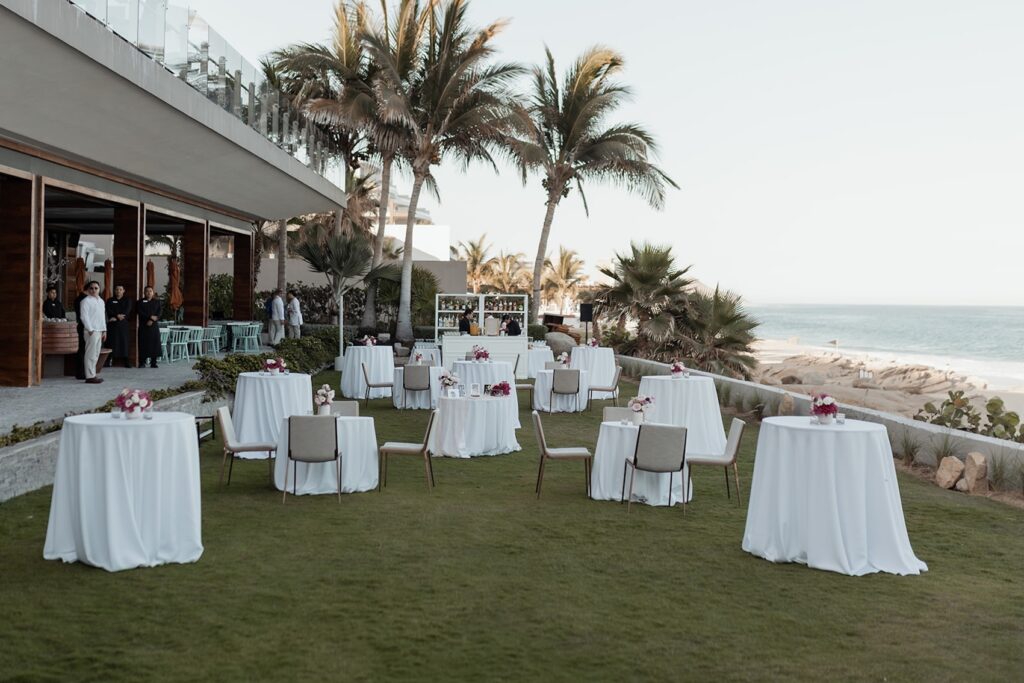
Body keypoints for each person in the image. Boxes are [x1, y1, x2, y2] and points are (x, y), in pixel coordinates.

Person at [79, 281, 106, 384]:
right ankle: (90, 376)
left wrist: (104, 330)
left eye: (96, 288)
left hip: (100, 330)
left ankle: (93, 374)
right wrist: (90, 329)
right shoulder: (85, 301)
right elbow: (84, 316)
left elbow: (102, 317)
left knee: (96, 354)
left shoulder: (101, 301)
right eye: (91, 288)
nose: (94, 290)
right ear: (88, 289)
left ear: (99, 289)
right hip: (91, 331)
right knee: (90, 354)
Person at [104, 284, 133, 367]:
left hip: (123, 324)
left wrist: (116, 317)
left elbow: (127, 311)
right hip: (112, 325)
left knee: (124, 342)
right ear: (114, 291)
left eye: (120, 289)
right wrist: (117, 316)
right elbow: (108, 310)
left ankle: (126, 360)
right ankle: (108, 360)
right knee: (111, 342)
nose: (118, 291)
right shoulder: (110, 300)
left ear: (123, 291)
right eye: (117, 289)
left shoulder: (127, 300)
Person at [137, 286, 162, 368]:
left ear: (153, 292)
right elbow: (140, 312)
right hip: (144, 325)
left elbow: (159, 312)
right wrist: (150, 317)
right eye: (147, 291)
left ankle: (153, 362)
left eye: (150, 291)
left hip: (154, 326)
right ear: (144, 292)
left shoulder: (157, 302)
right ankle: (142, 362)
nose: (149, 293)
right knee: (143, 344)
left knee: (155, 344)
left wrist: (152, 319)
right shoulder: (140, 302)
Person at [73, 284, 89, 379]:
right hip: (84, 326)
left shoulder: (82, 299)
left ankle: (82, 372)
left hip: (83, 326)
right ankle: (81, 372)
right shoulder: (82, 300)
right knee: (83, 350)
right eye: (92, 289)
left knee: (83, 349)